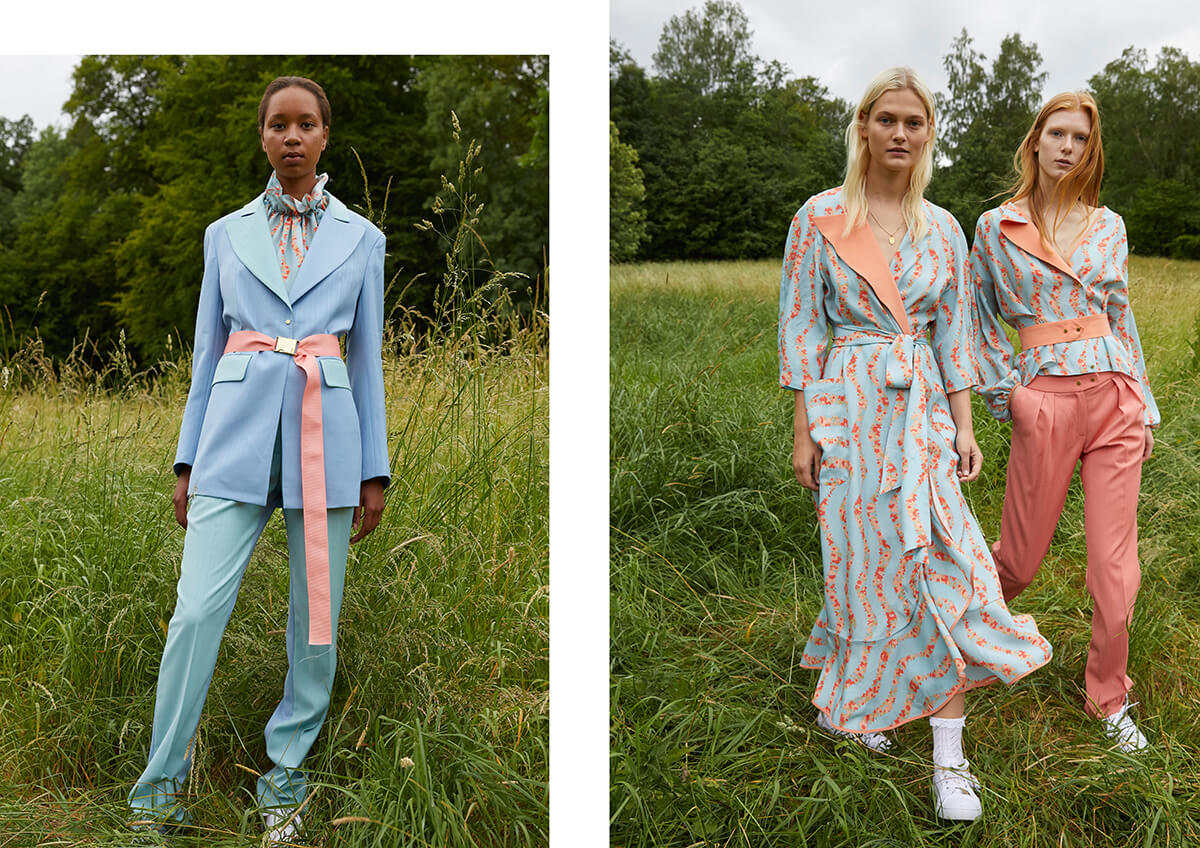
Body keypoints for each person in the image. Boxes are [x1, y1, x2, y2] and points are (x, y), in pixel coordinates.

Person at [779, 67, 1052, 822]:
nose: (900, 133)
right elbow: (803, 325)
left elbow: (955, 332)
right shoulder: (822, 216)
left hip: (923, 411)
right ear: (862, 127)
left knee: (952, 562)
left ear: (929, 134)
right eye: (887, 119)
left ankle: (949, 758)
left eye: (914, 122)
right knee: (863, 564)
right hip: (850, 404)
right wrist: (805, 428)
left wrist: (964, 426)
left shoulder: (945, 229)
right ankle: (866, 697)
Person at [127, 75, 390, 840]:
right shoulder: (224, 233)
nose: (293, 137)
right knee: (195, 612)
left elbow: (368, 362)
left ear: (325, 136)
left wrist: (375, 470)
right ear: (263, 137)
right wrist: (186, 460)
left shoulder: (363, 239)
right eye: (279, 125)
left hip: (329, 438)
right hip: (231, 442)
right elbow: (208, 351)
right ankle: (158, 790)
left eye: (306, 124)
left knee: (316, 623)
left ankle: (285, 782)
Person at [968, 91, 1158, 752]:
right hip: (1043, 399)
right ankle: (955, 647)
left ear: (1089, 150)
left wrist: (1145, 400)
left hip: (1115, 398)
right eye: (1058, 134)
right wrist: (1008, 396)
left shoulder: (1110, 226)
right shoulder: (997, 227)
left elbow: (1122, 314)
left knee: (1115, 567)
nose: (1068, 147)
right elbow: (974, 318)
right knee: (1017, 562)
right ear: (1035, 141)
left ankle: (1109, 695)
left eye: (1080, 138)